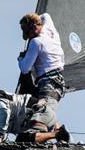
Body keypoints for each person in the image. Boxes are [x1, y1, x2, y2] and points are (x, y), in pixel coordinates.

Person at [0, 86, 68, 146]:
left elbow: (4, 112)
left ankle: (58, 134)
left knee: (22, 140)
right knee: (25, 145)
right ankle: (58, 142)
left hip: (41, 115)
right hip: (38, 122)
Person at [17, 13, 70, 142]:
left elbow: (25, 68)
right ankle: (63, 139)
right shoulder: (50, 29)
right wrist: (33, 18)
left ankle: (61, 140)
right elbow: (46, 15)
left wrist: (20, 58)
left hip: (48, 85)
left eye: (27, 33)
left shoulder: (36, 42)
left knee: (42, 116)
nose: (28, 37)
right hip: (56, 83)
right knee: (47, 113)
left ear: (34, 28)